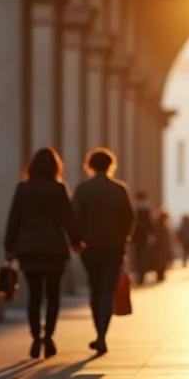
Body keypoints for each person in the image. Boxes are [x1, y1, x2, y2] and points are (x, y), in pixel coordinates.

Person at [3, 147, 82, 359]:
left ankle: (36, 336)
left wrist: (9, 248)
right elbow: (68, 219)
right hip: (54, 249)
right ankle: (49, 337)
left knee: (34, 296)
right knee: (53, 296)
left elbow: (14, 220)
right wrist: (76, 241)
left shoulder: (23, 189)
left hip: (28, 250)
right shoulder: (59, 189)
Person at [72, 147, 136, 356]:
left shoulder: (83, 189)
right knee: (107, 290)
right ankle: (101, 335)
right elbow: (129, 218)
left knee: (95, 289)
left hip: (90, 248)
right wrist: (124, 238)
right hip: (113, 248)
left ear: (90, 165)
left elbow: (76, 218)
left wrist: (77, 241)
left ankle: (98, 332)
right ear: (111, 165)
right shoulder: (120, 189)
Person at [132, 192, 154, 284]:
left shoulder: (137, 211)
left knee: (139, 257)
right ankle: (141, 274)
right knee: (142, 257)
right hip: (142, 238)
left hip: (138, 238)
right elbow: (150, 225)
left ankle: (141, 275)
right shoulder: (145, 211)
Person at [153, 210, 172, 281]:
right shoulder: (163, 226)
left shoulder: (157, 225)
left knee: (160, 262)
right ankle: (160, 274)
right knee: (161, 262)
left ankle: (160, 274)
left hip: (159, 248)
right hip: (161, 248)